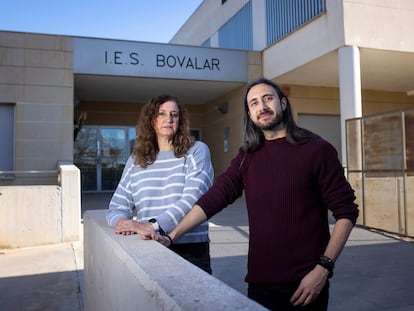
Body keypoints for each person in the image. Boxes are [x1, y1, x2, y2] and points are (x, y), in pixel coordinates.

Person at [146, 78, 359, 310]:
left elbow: (346, 212)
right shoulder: (248, 156)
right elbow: (214, 198)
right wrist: (172, 235)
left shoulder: (317, 150)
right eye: (254, 103)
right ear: (249, 112)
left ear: (283, 103)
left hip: (306, 284)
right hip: (259, 284)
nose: (262, 107)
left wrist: (323, 268)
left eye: (268, 99)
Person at [106, 94, 214, 274]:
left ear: (180, 120)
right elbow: (117, 205)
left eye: (174, 114)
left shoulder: (196, 151)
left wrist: (152, 225)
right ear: (151, 120)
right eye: (161, 114)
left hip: (190, 249)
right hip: (149, 246)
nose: (169, 119)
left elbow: (193, 200)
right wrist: (123, 222)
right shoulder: (136, 160)